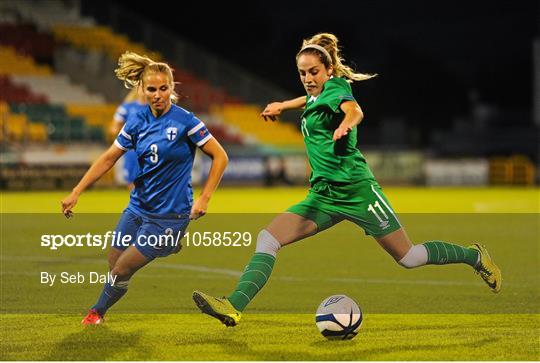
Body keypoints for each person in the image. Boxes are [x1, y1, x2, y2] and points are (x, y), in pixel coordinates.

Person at [192, 33, 501, 327]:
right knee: (268, 238)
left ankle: (475, 256)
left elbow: (354, 111)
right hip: (324, 196)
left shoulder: (337, 89)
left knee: (409, 257)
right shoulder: (318, 94)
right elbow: (311, 100)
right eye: (302, 73)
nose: (308, 79)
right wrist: (283, 105)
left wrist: (345, 125)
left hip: (358, 192)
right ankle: (233, 306)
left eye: (314, 72)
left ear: (328, 70)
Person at [61, 51, 229, 325]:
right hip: (137, 209)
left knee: (122, 269)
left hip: (170, 215)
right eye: (152, 89)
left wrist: (205, 197)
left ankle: (96, 312)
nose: (158, 94)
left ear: (172, 88)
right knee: (114, 263)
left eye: (164, 88)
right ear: (142, 89)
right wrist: (76, 192)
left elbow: (220, 156)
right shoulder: (137, 120)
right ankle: (168, 245)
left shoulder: (186, 121)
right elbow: (108, 158)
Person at [109, 87, 147, 190]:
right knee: (133, 181)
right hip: (132, 150)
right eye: (142, 88)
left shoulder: (155, 107)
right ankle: (138, 203)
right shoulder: (126, 107)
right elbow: (114, 127)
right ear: (137, 90)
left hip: (150, 148)